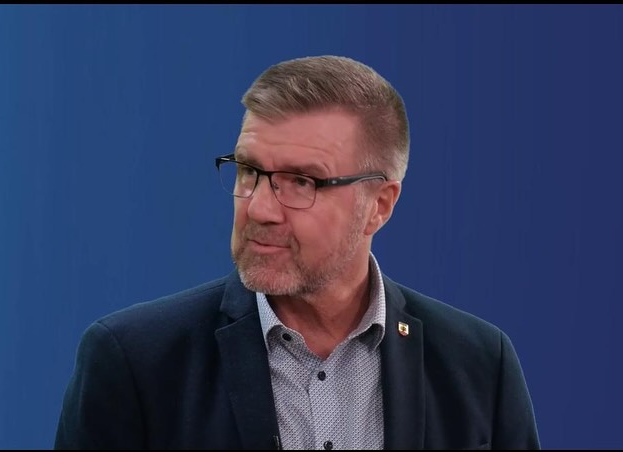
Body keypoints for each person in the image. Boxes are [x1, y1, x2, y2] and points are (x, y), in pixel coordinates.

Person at [54, 55, 540, 450]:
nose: (259, 208)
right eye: (249, 171)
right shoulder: (133, 362)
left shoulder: (479, 362)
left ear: (379, 205)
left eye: (302, 181)